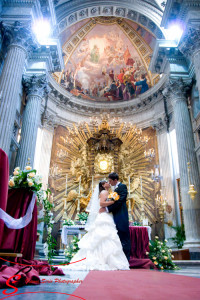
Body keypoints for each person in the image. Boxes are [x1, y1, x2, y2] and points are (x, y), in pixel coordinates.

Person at [60, 180, 129, 271]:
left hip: (107, 216)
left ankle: (105, 259)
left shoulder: (107, 192)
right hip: (104, 217)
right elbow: (101, 204)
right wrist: (113, 202)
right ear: (103, 185)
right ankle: (104, 260)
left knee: (107, 236)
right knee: (104, 235)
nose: (109, 183)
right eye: (107, 182)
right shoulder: (104, 192)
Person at [100, 173, 131, 261]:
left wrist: (107, 209)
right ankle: (120, 258)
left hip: (121, 215)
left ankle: (126, 259)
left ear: (115, 180)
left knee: (124, 237)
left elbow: (120, 201)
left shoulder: (122, 187)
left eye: (110, 181)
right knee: (119, 237)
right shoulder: (115, 189)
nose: (109, 183)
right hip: (116, 216)